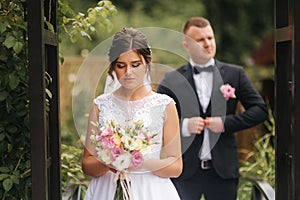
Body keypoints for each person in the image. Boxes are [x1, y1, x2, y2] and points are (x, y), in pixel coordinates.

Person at [157, 17, 269, 199]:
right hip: (184, 172)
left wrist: (225, 123)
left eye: (210, 38)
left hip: (223, 173)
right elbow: (155, 120)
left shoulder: (235, 74)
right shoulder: (172, 79)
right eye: (200, 40)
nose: (208, 43)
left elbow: (260, 110)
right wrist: (184, 126)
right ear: (186, 45)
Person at [82, 27, 182, 200]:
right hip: (107, 190)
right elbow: (87, 164)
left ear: (147, 64)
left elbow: (176, 166)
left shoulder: (164, 105)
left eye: (135, 65)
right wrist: (110, 161)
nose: (128, 72)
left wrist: (141, 161)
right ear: (112, 68)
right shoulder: (101, 105)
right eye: (121, 66)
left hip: (151, 191)